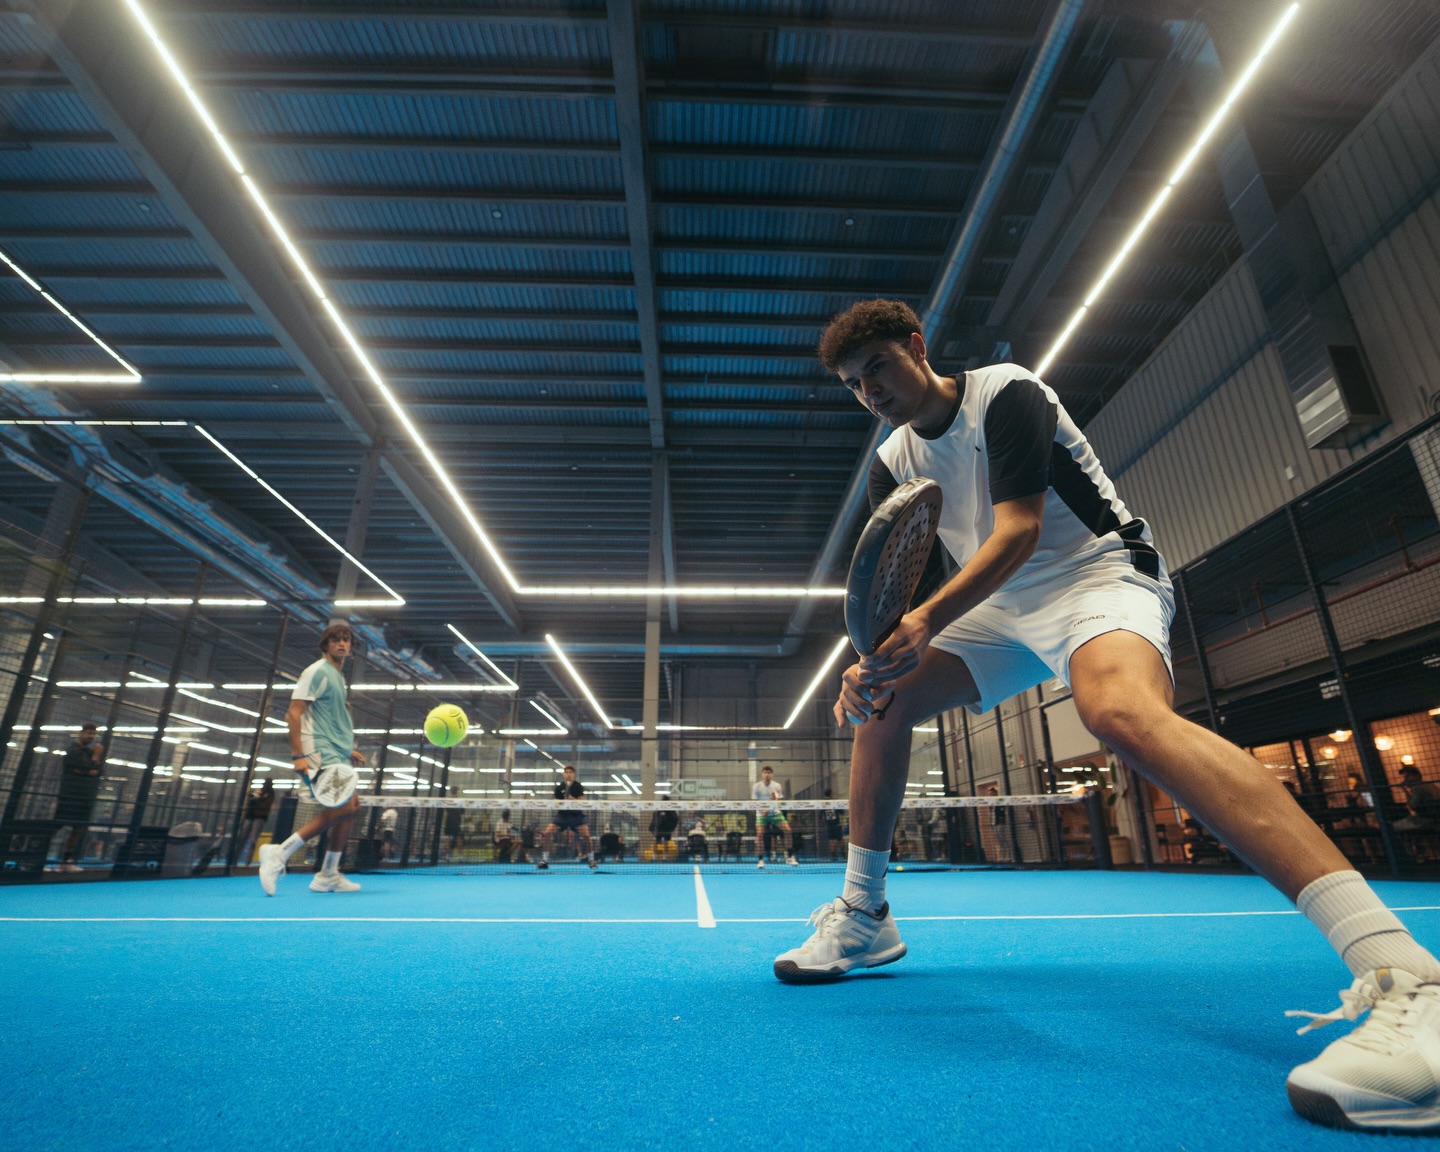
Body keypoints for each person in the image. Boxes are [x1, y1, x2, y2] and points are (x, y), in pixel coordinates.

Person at [771, 299, 1440, 1133]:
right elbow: (902, 595)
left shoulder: (1007, 392)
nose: (869, 391)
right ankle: (865, 915)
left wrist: (923, 624)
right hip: (999, 609)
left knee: (1117, 713)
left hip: (1096, 573)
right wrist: (874, 661)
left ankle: (1408, 974)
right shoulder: (893, 460)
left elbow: (1017, 532)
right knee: (885, 699)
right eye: (852, 384)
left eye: (877, 368)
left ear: (917, 347)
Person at [258, 622, 367, 895]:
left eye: (346, 640)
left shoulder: (337, 676)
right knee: (344, 807)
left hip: (335, 751)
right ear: (325, 645)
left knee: (352, 806)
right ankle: (279, 853)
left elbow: (328, 718)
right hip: (318, 750)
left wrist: (346, 750)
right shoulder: (316, 671)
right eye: (335, 640)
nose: (342, 644)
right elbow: (293, 713)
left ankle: (328, 874)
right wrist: (298, 756)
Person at [53, 723, 103, 873]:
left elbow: (98, 771)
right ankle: (34, 856)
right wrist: (94, 759)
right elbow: (87, 766)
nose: (91, 737)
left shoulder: (88, 752)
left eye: (93, 734)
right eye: (89, 733)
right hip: (70, 795)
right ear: (81, 733)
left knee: (78, 828)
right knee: (57, 826)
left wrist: (86, 769)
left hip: (85, 796)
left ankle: (66, 861)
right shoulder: (72, 750)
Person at [539, 765, 595, 870]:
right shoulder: (559, 788)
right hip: (562, 816)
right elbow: (556, 802)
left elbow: (582, 801)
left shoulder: (578, 786)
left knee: (587, 836)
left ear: (574, 775)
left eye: (571, 772)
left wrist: (573, 799)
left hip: (576, 816)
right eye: (567, 772)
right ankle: (544, 860)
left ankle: (591, 860)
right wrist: (562, 802)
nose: (569, 774)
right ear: (563, 774)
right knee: (546, 833)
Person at [751, 765, 797, 868]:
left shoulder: (777, 786)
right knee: (759, 834)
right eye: (765, 772)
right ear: (762, 774)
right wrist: (763, 811)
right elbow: (754, 802)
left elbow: (780, 800)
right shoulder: (756, 786)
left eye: (769, 772)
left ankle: (791, 856)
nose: (767, 774)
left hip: (775, 813)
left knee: (788, 830)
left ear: (772, 774)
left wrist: (773, 804)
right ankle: (761, 860)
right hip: (761, 814)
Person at [237, 778, 275, 866]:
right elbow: (250, 802)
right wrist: (256, 797)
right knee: (242, 838)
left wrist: (258, 799)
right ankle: (235, 860)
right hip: (251, 816)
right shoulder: (258, 793)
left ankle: (247, 862)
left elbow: (266, 805)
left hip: (260, 817)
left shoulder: (270, 794)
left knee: (253, 840)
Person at [823, 788, 845, 859]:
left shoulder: (822, 803)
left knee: (831, 840)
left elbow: (821, 815)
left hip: (829, 825)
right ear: (831, 794)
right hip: (836, 825)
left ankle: (834, 856)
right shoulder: (834, 802)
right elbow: (842, 812)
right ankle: (843, 854)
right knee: (840, 839)